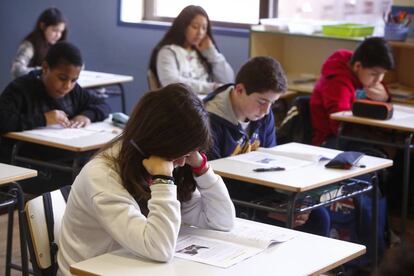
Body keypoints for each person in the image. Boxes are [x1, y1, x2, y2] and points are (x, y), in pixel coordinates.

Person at [57, 83, 235, 275]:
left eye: (190, 153)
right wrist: (163, 181)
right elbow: (159, 248)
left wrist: (202, 168)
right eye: (181, 153)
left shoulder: (159, 162)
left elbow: (222, 221)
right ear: (159, 141)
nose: (183, 163)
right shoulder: (103, 176)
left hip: (132, 266)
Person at [204, 56, 330, 236]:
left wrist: (284, 202)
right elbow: (210, 183)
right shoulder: (209, 122)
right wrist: (266, 210)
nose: (267, 111)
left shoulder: (262, 115)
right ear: (239, 90)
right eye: (262, 102)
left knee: (317, 216)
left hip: (257, 192)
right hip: (228, 201)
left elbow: (269, 164)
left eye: (273, 103)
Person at [0, 41, 110, 193]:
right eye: (62, 78)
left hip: (65, 156)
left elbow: (102, 105)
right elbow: (3, 120)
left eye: (74, 80)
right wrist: (44, 119)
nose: (67, 86)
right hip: (31, 159)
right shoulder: (21, 88)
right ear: (45, 68)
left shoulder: (73, 91)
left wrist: (86, 116)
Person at [310, 37, 394, 147]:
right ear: (357, 66)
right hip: (331, 140)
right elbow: (339, 124)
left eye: (383, 74)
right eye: (374, 74)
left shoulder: (364, 76)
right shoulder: (338, 82)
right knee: (382, 152)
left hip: (355, 136)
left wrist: (385, 99)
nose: (379, 80)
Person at [148, 5, 234, 94]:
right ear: (183, 27)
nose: (200, 33)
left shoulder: (203, 53)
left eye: (204, 28)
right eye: (195, 27)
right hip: (182, 104)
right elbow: (171, 83)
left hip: (207, 102)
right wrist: (211, 87)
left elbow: (227, 81)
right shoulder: (168, 52)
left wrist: (211, 52)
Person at [11, 7, 67, 79]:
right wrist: (42, 71)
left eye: (61, 32)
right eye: (55, 30)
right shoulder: (29, 45)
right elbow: (17, 70)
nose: (58, 35)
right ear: (42, 26)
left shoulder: (56, 45)